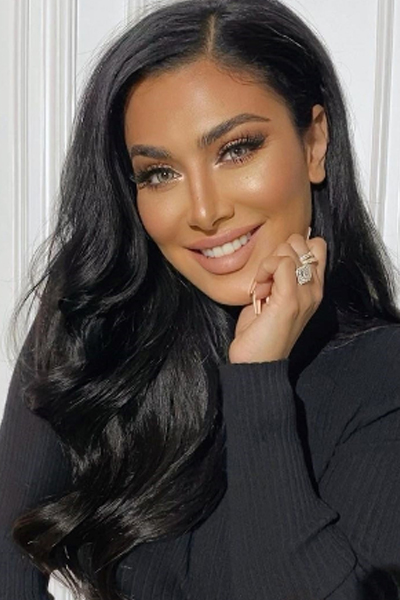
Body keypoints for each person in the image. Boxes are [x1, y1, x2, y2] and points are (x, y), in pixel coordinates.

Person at [1, 0, 400, 598]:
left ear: (314, 142)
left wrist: (259, 377)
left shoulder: (383, 378)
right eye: (159, 173)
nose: (205, 211)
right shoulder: (99, 319)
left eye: (236, 149)